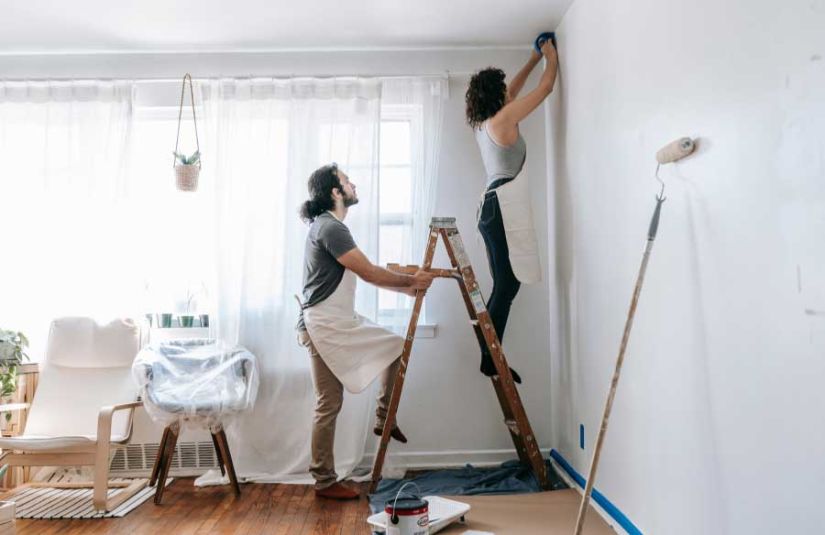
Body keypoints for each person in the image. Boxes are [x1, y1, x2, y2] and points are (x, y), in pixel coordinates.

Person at [296, 163, 435, 500]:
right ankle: (325, 480)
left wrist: (408, 288)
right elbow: (370, 273)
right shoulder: (331, 228)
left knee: (390, 350)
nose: (352, 184)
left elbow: (366, 274)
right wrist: (411, 284)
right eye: (346, 181)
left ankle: (383, 415)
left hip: (333, 319)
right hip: (326, 323)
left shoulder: (327, 226)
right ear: (334, 191)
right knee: (328, 402)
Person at [465, 39, 558, 384]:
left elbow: (515, 89)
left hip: (491, 207)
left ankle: (489, 347)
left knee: (505, 283)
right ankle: (490, 353)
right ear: (497, 95)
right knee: (507, 283)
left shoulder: (485, 123)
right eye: (503, 90)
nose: (510, 91)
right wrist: (550, 58)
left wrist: (533, 58)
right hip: (499, 205)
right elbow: (546, 89)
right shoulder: (503, 119)